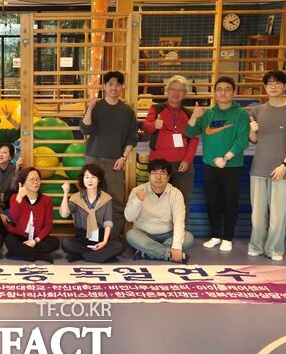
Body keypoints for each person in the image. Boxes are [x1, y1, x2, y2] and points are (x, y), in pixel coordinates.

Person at [185, 76, 250, 252]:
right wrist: (193, 117)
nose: (223, 93)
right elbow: (189, 132)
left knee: (230, 203)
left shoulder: (241, 114)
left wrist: (225, 158)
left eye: (227, 89)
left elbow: (242, 141)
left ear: (233, 92)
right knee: (212, 202)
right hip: (210, 166)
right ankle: (215, 235)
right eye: (219, 89)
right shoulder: (208, 114)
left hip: (231, 167)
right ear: (214, 93)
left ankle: (227, 237)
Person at [248, 70, 286, 260]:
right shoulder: (257, 111)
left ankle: (274, 249)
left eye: (277, 83)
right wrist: (252, 130)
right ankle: (256, 246)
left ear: (285, 86)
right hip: (259, 168)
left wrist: (284, 166)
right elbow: (254, 140)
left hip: (282, 170)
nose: (273, 86)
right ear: (265, 87)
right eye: (269, 83)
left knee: (278, 215)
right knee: (257, 214)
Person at [80, 70, 138, 239]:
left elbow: (132, 137)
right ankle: (91, 236)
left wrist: (124, 157)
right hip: (93, 159)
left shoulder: (127, 111)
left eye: (117, 84)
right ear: (104, 86)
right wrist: (90, 108)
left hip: (115, 162)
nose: (114, 88)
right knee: (89, 198)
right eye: (110, 84)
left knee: (117, 201)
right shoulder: (96, 107)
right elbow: (85, 129)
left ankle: (110, 237)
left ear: (122, 87)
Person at [142, 75, 198, 215]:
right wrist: (154, 125)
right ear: (167, 91)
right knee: (157, 201)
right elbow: (146, 128)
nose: (175, 93)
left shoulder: (189, 114)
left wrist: (187, 161)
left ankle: (180, 228)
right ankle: (157, 228)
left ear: (185, 93)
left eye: (180, 90)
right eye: (172, 89)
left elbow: (194, 139)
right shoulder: (156, 109)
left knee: (182, 202)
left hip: (182, 166)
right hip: (159, 164)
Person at [124, 159, 193, 263]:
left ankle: (147, 252)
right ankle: (167, 254)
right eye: (154, 173)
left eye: (162, 173)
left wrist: (176, 246)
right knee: (131, 235)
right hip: (144, 234)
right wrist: (138, 200)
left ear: (168, 177)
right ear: (149, 176)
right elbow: (129, 217)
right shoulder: (138, 191)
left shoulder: (176, 193)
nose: (158, 177)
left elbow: (179, 221)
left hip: (168, 234)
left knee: (188, 237)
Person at [59, 163, 123, 263]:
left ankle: (82, 256)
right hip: (82, 237)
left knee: (118, 246)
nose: (90, 180)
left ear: (99, 179)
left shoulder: (106, 198)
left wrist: (104, 242)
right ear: (83, 179)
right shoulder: (76, 197)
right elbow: (64, 214)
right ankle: (97, 256)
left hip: (100, 236)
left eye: (93, 177)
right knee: (66, 243)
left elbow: (108, 222)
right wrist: (65, 193)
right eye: (87, 177)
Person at [5, 167, 59, 263]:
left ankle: (20, 252)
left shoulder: (47, 200)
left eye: (38, 179)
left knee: (54, 242)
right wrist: (19, 198)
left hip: (37, 237)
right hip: (19, 236)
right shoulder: (15, 197)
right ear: (23, 182)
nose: (36, 182)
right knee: (9, 240)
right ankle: (39, 256)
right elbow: (12, 218)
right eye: (32, 179)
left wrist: (35, 241)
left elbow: (48, 225)